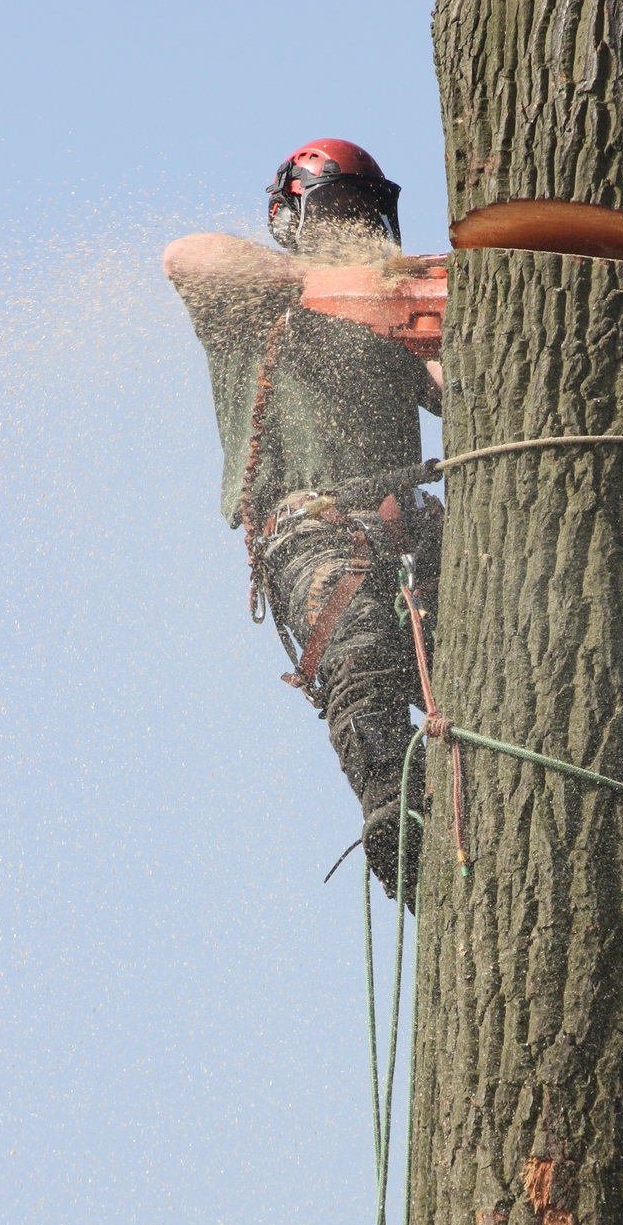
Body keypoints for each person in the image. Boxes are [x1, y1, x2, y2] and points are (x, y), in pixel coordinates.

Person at [163, 140, 444, 901]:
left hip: (424, 530)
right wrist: (343, 281)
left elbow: (465, 389)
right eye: (335, 212)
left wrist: (440, 316)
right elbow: (188, 256)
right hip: (316, 529)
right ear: (289, 214)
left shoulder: (391, 318)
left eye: (362, 213)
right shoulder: (252, 302)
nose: (351, 227)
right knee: (358, 649)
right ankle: (394, 806)